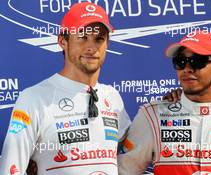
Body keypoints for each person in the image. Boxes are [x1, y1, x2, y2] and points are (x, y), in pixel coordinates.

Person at [0, 2, 131, 175]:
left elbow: (134, 147)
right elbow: (10, 169)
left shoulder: (112, 97)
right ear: (63, 41)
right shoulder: (34, 98)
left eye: (99, 38)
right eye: (83, 37)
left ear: (107, 43)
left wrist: (170, 105)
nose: (91, 47)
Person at [118, 31, 211, 175]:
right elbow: (124, 171)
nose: (187, 69)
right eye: (180, 62)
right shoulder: (152, 116)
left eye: (198, 61)